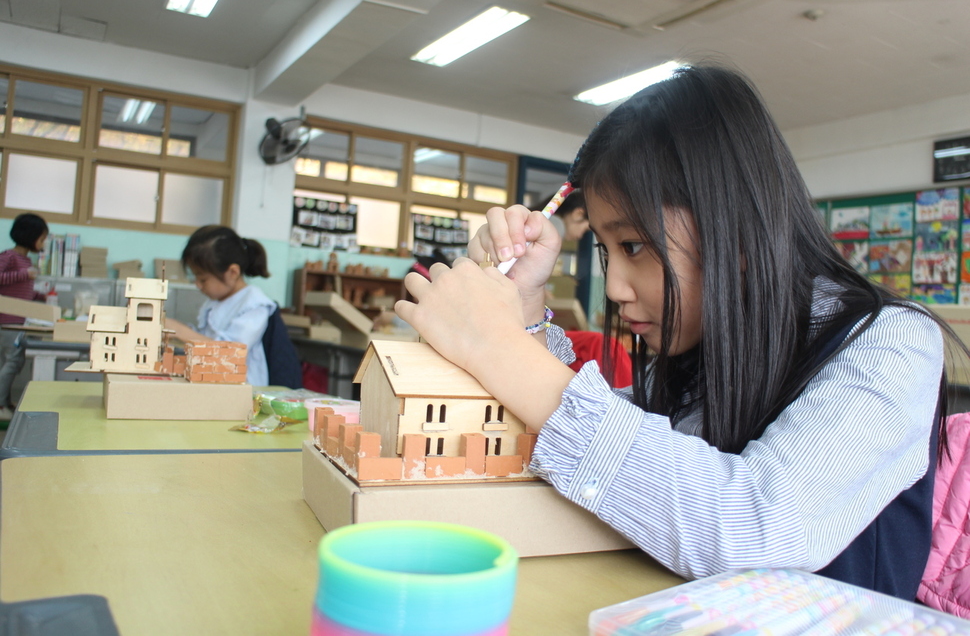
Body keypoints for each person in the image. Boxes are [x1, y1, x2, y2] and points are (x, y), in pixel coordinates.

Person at [394, 63, 955, 600]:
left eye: (633, 246)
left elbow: (755, 531)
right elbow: (627, 460)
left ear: (733, 230)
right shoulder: (705, 338)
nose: (613, 287)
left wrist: (501, 348)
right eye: (605, 250)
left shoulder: (889, 344)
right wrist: (524, 305)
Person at [166, 225, 277, 386]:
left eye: (203, 279)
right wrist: (176, 333)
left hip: (244, 389)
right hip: (214, 379)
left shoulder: (255, 305)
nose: (197, 285)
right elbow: (205, 337)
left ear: (232, 272)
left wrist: (181, 331)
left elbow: (231, 352)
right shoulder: (215, 301)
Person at [0, 213, 48, 420]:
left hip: (19, 321)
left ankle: (4, 401)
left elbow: (20, 290)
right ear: (30, 236)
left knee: (12, 363)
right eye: (42, 238)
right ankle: (0, 406)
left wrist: (39, 296)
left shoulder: (25, 259)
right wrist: (24, 275)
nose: (43, 243)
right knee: (12, 363)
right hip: (8, 322)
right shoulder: (9, 256)